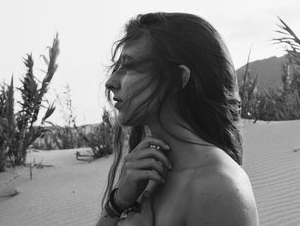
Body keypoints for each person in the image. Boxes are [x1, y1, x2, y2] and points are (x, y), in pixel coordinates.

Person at [96, 13, 259, 226]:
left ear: (178, 79)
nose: (111, 82)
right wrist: (117, 204)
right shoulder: (143, 172)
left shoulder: (217, 187)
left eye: (129, 66)